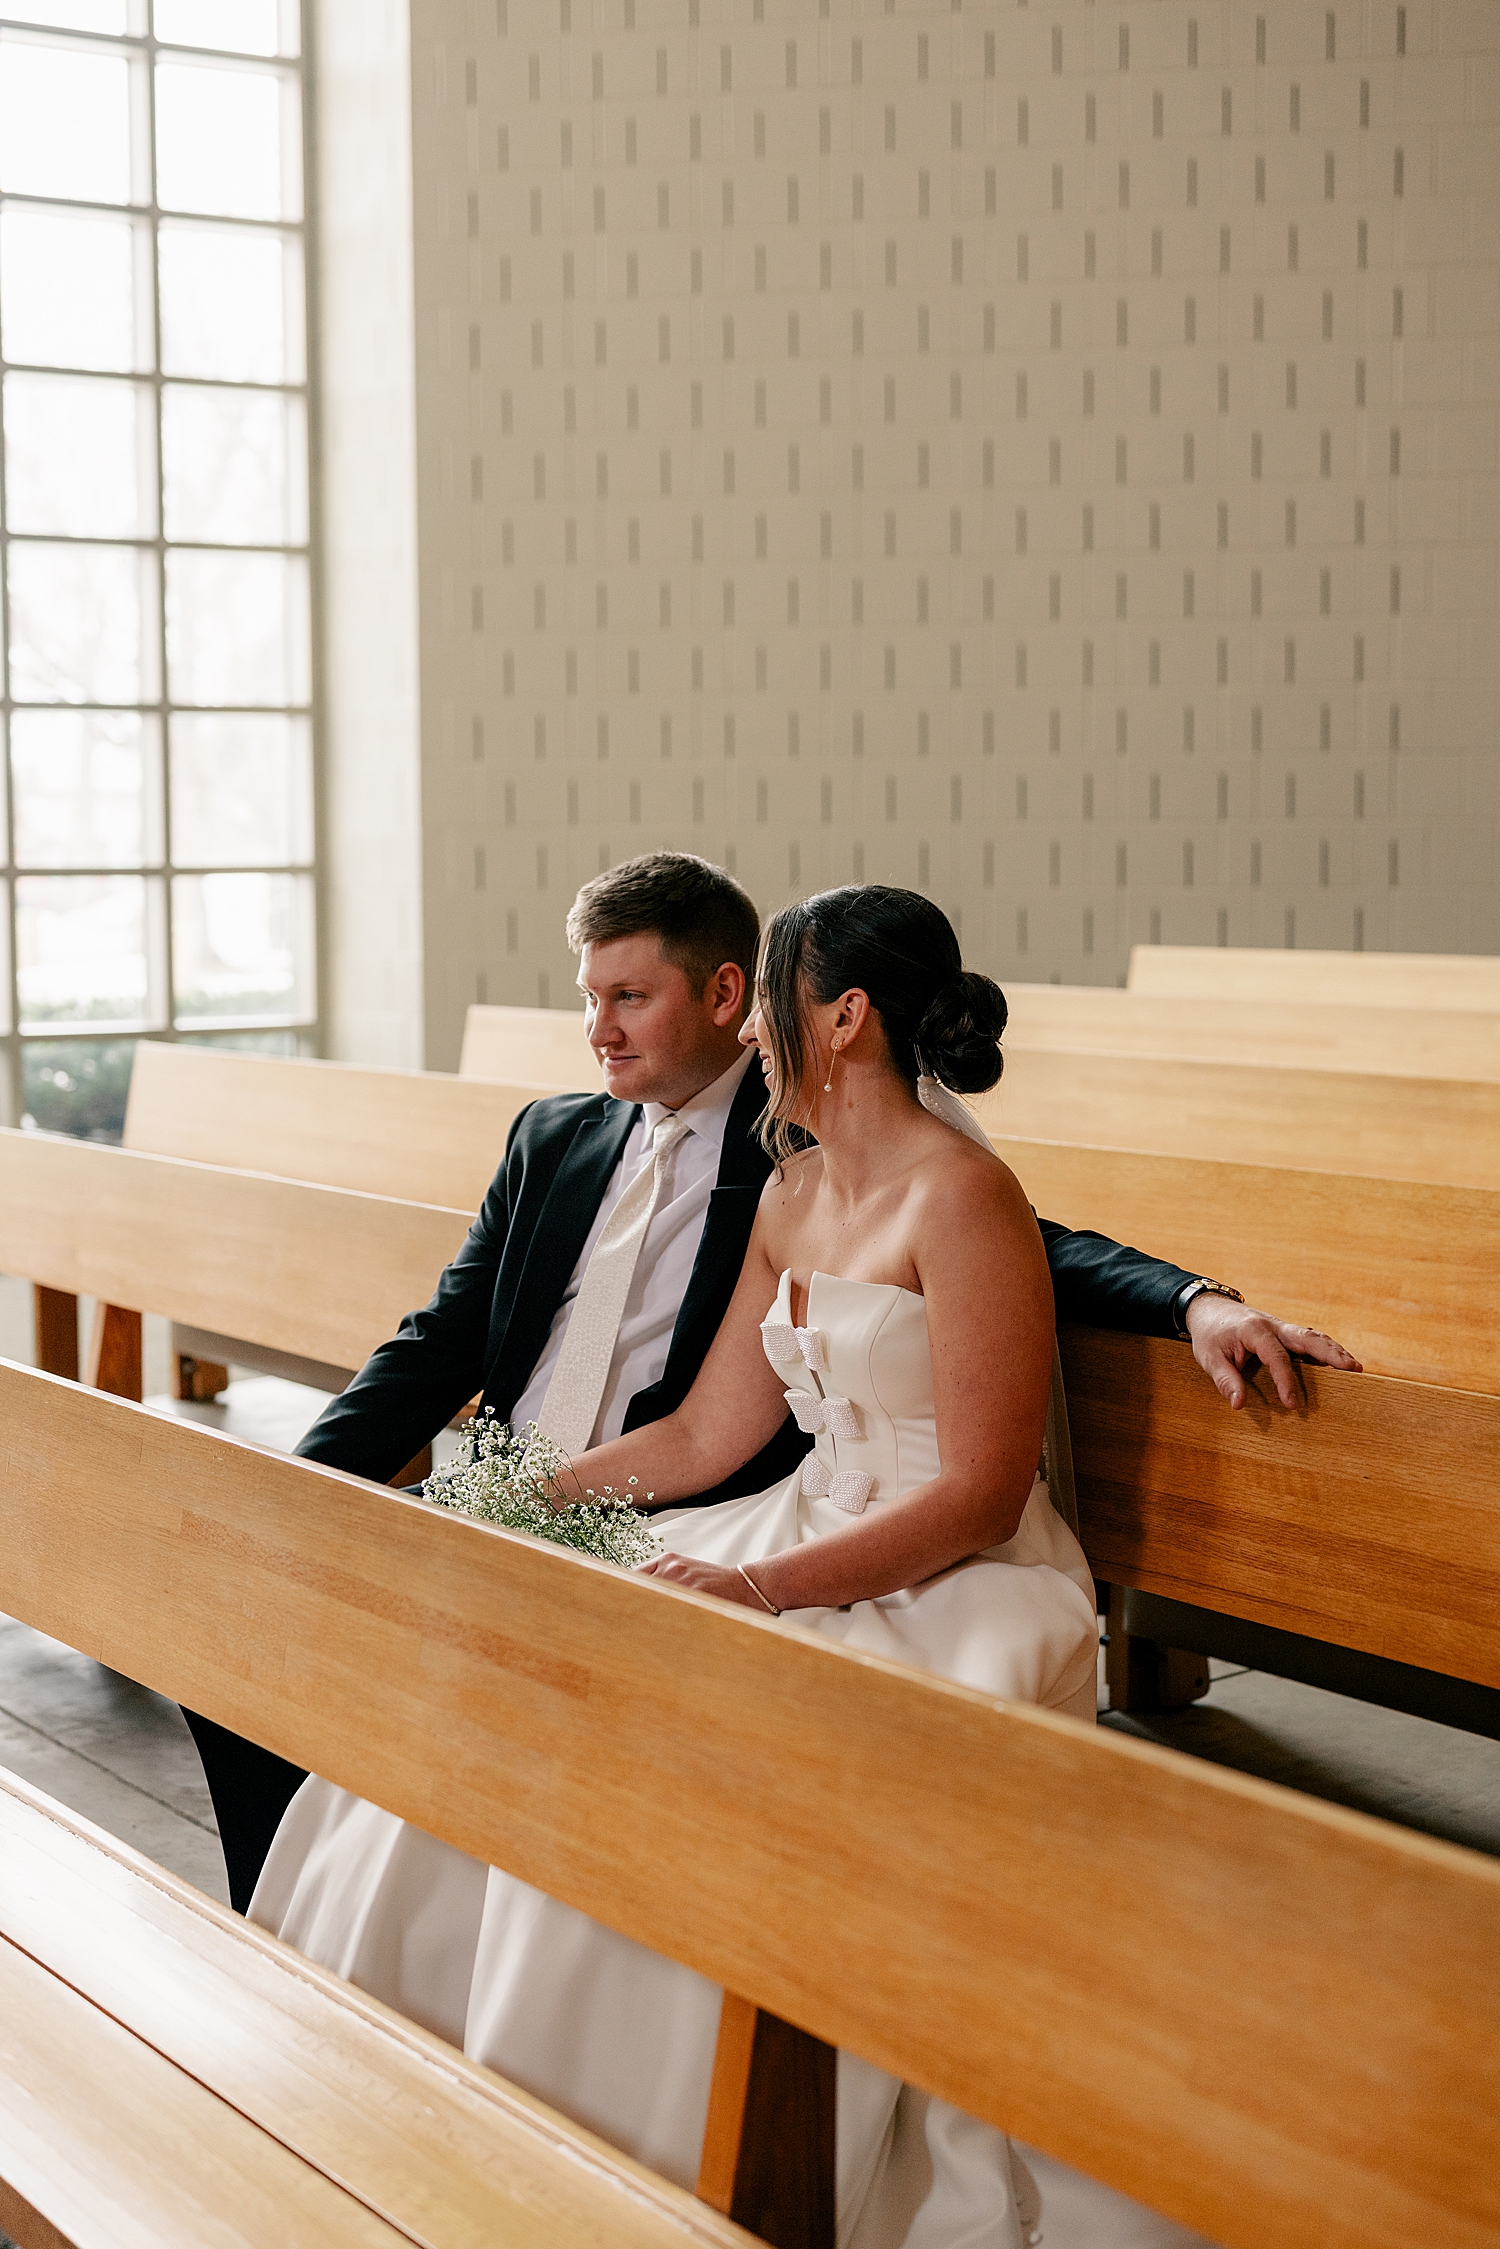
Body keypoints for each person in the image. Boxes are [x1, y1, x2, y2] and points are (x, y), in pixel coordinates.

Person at [248, 883, 1351, 2249]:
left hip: (953, 1574)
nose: (759, 1033)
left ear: (846, 1017)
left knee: (681, 1757)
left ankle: (677, 2162)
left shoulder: (967, 1198)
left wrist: (764, 1590)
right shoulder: (792, 1190)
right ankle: (432, 2116)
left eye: (775, 1002)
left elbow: (982, 1489)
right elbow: (711, 1432)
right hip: (788, 1524)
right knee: (524, 1701)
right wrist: (509, 1502)